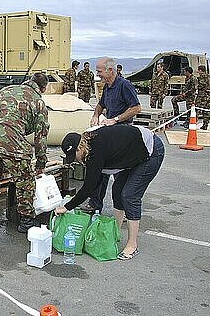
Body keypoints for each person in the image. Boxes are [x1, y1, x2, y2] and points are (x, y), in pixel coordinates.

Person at [56, 125, 165, 259]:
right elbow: (96, 181)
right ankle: (115, 234)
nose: (76, 160)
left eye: (75, 156)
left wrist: (67, 207)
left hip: (150, 151)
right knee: (117, 190)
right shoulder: (88, 146)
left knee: (129, 195)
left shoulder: (95, 151)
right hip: (130, 153)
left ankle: (132, 245)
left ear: (80, 148)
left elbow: (89, 186)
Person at [0, 72, 50, 233]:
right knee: (25, 181)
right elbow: (41, 138)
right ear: (43, 88)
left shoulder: (8, 89)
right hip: (12, 143)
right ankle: (26, 220)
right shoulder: (39, 103)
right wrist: (41, 163)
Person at [82, 57, 141, 212]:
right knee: (100, 168)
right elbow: (101, 105)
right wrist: (95, 116)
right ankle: (95, 203)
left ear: (110, 70)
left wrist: (115, 119)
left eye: (100, 71)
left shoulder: (124, 85)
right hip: (109, 132)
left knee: (121, 173)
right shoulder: (107, 86)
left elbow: (136, 108)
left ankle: (124, 207)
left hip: (123, 134)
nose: (97, 74)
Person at [195, 65, 210, 130]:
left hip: (202, 96)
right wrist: (209, 92)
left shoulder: (202, 77)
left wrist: (196, 88)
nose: (198, 71)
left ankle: (192, 124)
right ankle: (205, 125)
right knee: (206, 111)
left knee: (197, 110)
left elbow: (201, 85)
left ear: (200, 70)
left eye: (198, 70)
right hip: (208, 96)